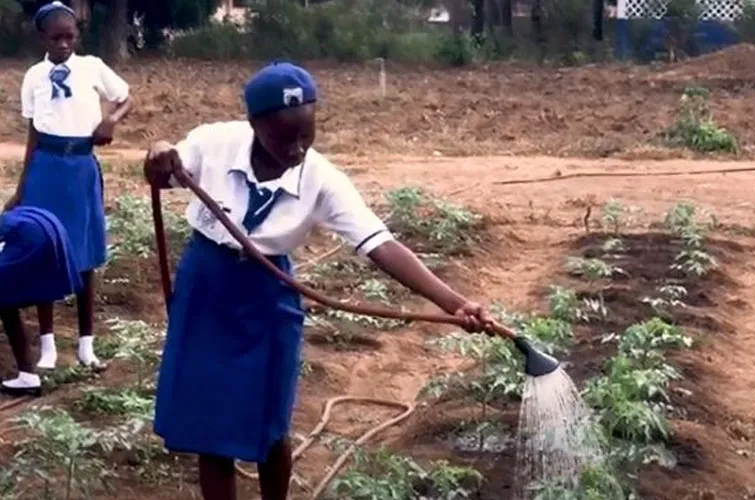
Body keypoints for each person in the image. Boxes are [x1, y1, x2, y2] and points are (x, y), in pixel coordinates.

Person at [143, 61, 495, 500]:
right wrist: (157, 152)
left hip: (268, 296)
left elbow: (380, 244)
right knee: (210, 429)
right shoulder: (213, 142)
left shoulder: (323, 179)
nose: (296, 149)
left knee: (271, 424)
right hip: (207, 287)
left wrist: (453, 302)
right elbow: (163, 167)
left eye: (306, 136)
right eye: (283, 137)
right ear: (254, 124)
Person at [3, 1, 132, 371]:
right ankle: (47, 346)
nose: (63, 44)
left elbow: (126, 98)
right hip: (46, 167)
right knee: (44, 252)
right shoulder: (33, 77)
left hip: (81, 168)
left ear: (78, 36)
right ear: (42, 37)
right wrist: (21, 187)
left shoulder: (91, 68)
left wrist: (111, 121)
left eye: (69, 37)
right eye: (56, 38)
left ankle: (85, 344)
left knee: (85, 254)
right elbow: (32, 134)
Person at [0, 206, 82, 397]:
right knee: (7, 297)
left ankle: (27, 375)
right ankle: (28, 373)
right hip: (48, 225)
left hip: (31, 234)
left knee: (4, 298)